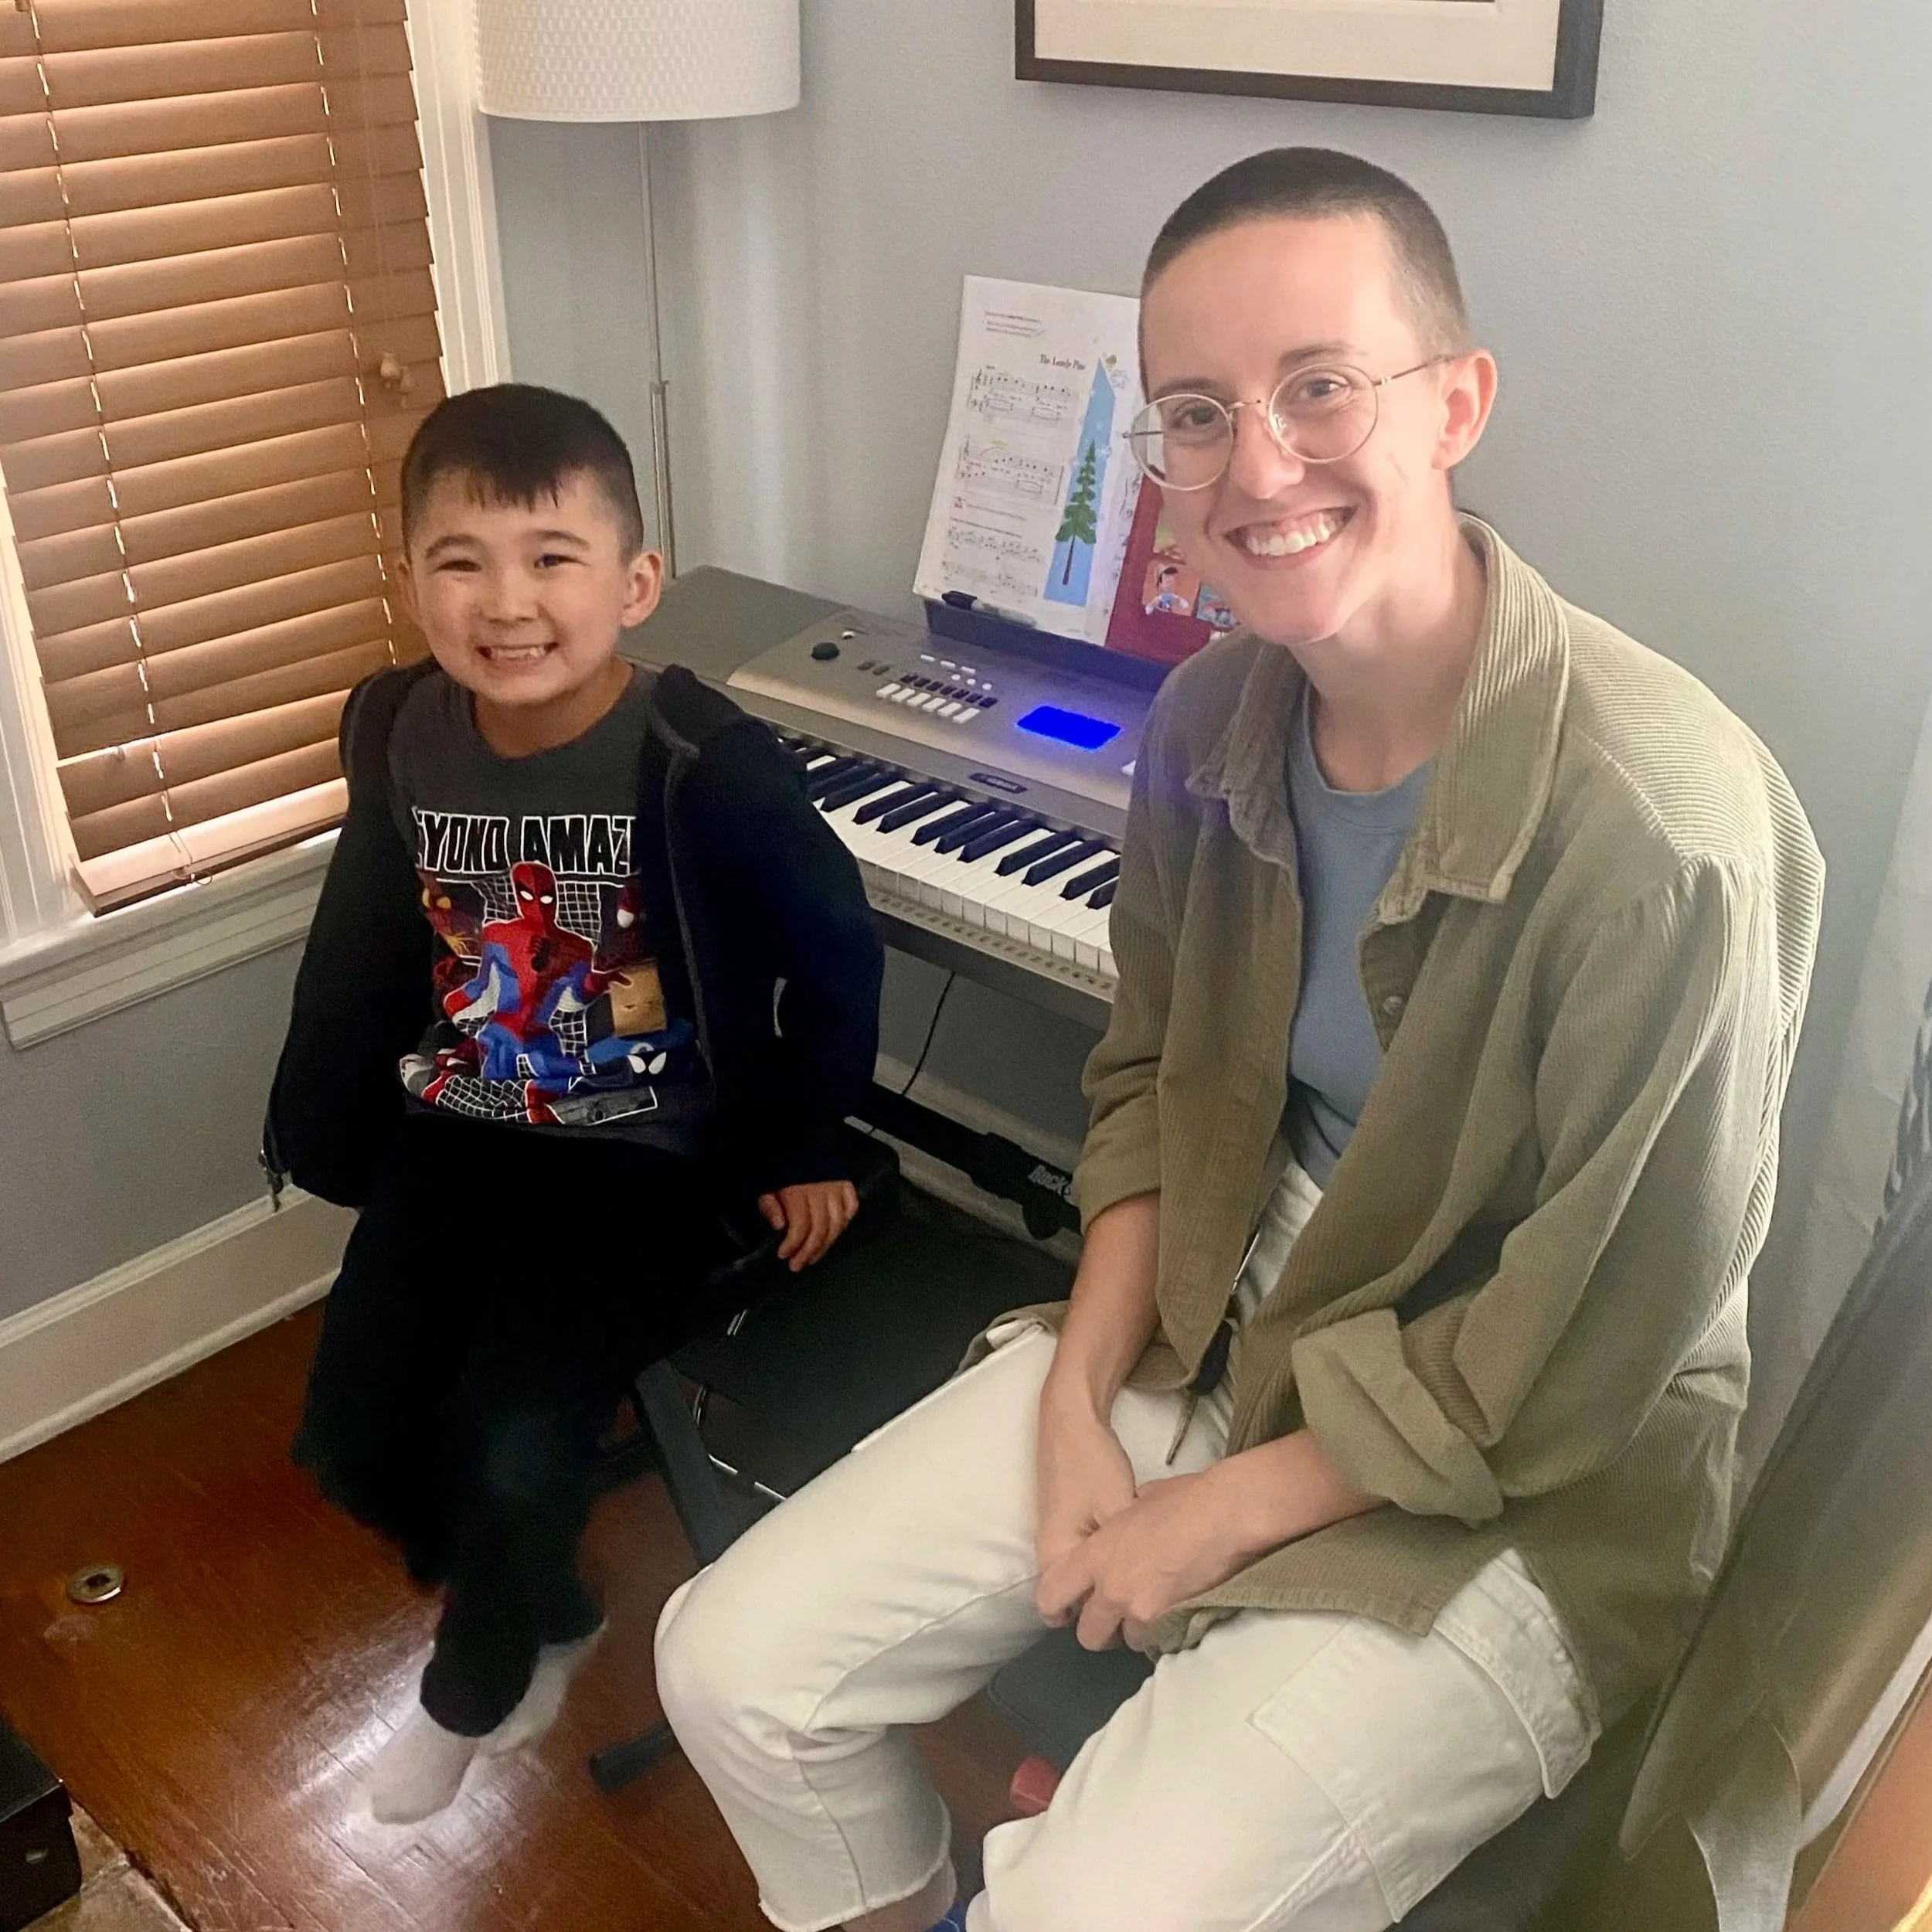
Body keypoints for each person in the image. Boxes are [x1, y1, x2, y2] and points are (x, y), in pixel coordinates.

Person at [652, 148, 1825, 1932]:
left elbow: (1580, 1353)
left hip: (1535, 1467)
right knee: (728, 1657)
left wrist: (1208, 1519)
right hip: (1233, 1296)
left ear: (1456, 405)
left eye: (1318, 387)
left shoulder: (1664, 838)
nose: (1254, 466)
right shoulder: (1208, 714)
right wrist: (1070, 1395)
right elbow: (1148, 1082)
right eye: (1194, 415)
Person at [264, 384, 883, 1825]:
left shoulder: (696, 757)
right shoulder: (406, 727)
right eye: (461, 559)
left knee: (516, 1433)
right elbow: (367, 936)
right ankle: (543, 1599)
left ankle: (473, 1684)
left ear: (635, 584)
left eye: (552, 556)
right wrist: (325, 1113)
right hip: (463, 1126)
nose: (507, 601)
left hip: (646, 1156)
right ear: (411, 575)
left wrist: (806, 1141)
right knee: (350, 1435)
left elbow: (833, 943)